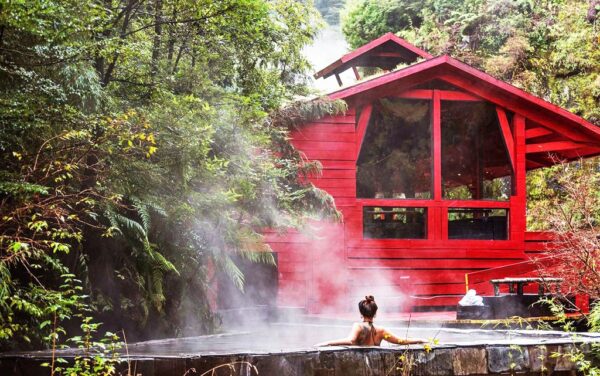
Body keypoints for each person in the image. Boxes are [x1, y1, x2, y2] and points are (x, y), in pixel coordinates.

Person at [315, 295, 427, 347]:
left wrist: (327, 343)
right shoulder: (381, 331)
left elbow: (350, 341)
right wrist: (420, 340)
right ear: (375, 314)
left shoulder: (358, 326)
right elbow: (401, 341)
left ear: (360, 313)